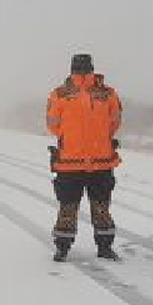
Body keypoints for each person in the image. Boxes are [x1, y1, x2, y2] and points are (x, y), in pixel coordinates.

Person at [45, 53, 122, 261]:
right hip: (87, 162)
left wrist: (74, 140)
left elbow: (53, 126)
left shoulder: (60, 94)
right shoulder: (106, 94)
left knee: (87, 207)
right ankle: (75, 247)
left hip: (83, 162)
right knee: (90, 207)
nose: (81, 70)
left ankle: (71, 248)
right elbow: (114, 124)